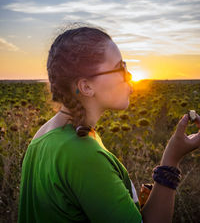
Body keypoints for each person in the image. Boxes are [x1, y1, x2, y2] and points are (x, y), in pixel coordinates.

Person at [18, 25, 200, 223]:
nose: (129, 75)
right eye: (120, 67)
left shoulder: (44, 135)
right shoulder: (83, 155)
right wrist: (171, 161)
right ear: (86, 86)